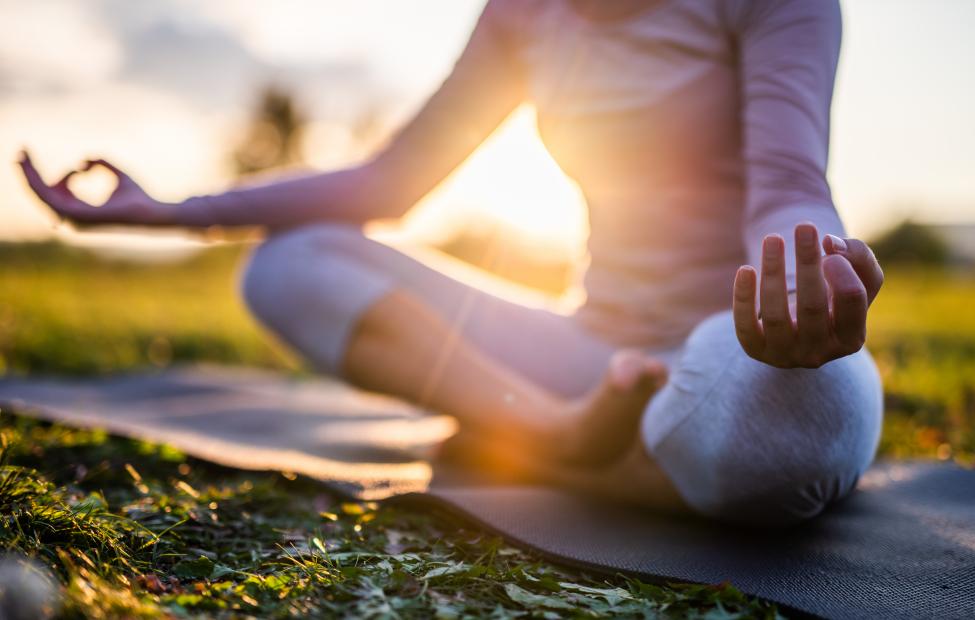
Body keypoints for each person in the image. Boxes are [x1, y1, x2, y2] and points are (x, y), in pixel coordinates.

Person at [19, 0, 885, 525]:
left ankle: (539, 444)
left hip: (733, 348)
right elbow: (390, 181)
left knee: (796, 430)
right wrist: (171, 212)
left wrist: (817, 272)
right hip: (588, 356)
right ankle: (550, 433)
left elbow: (787, 185)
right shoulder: (525, 12)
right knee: (288, 265)